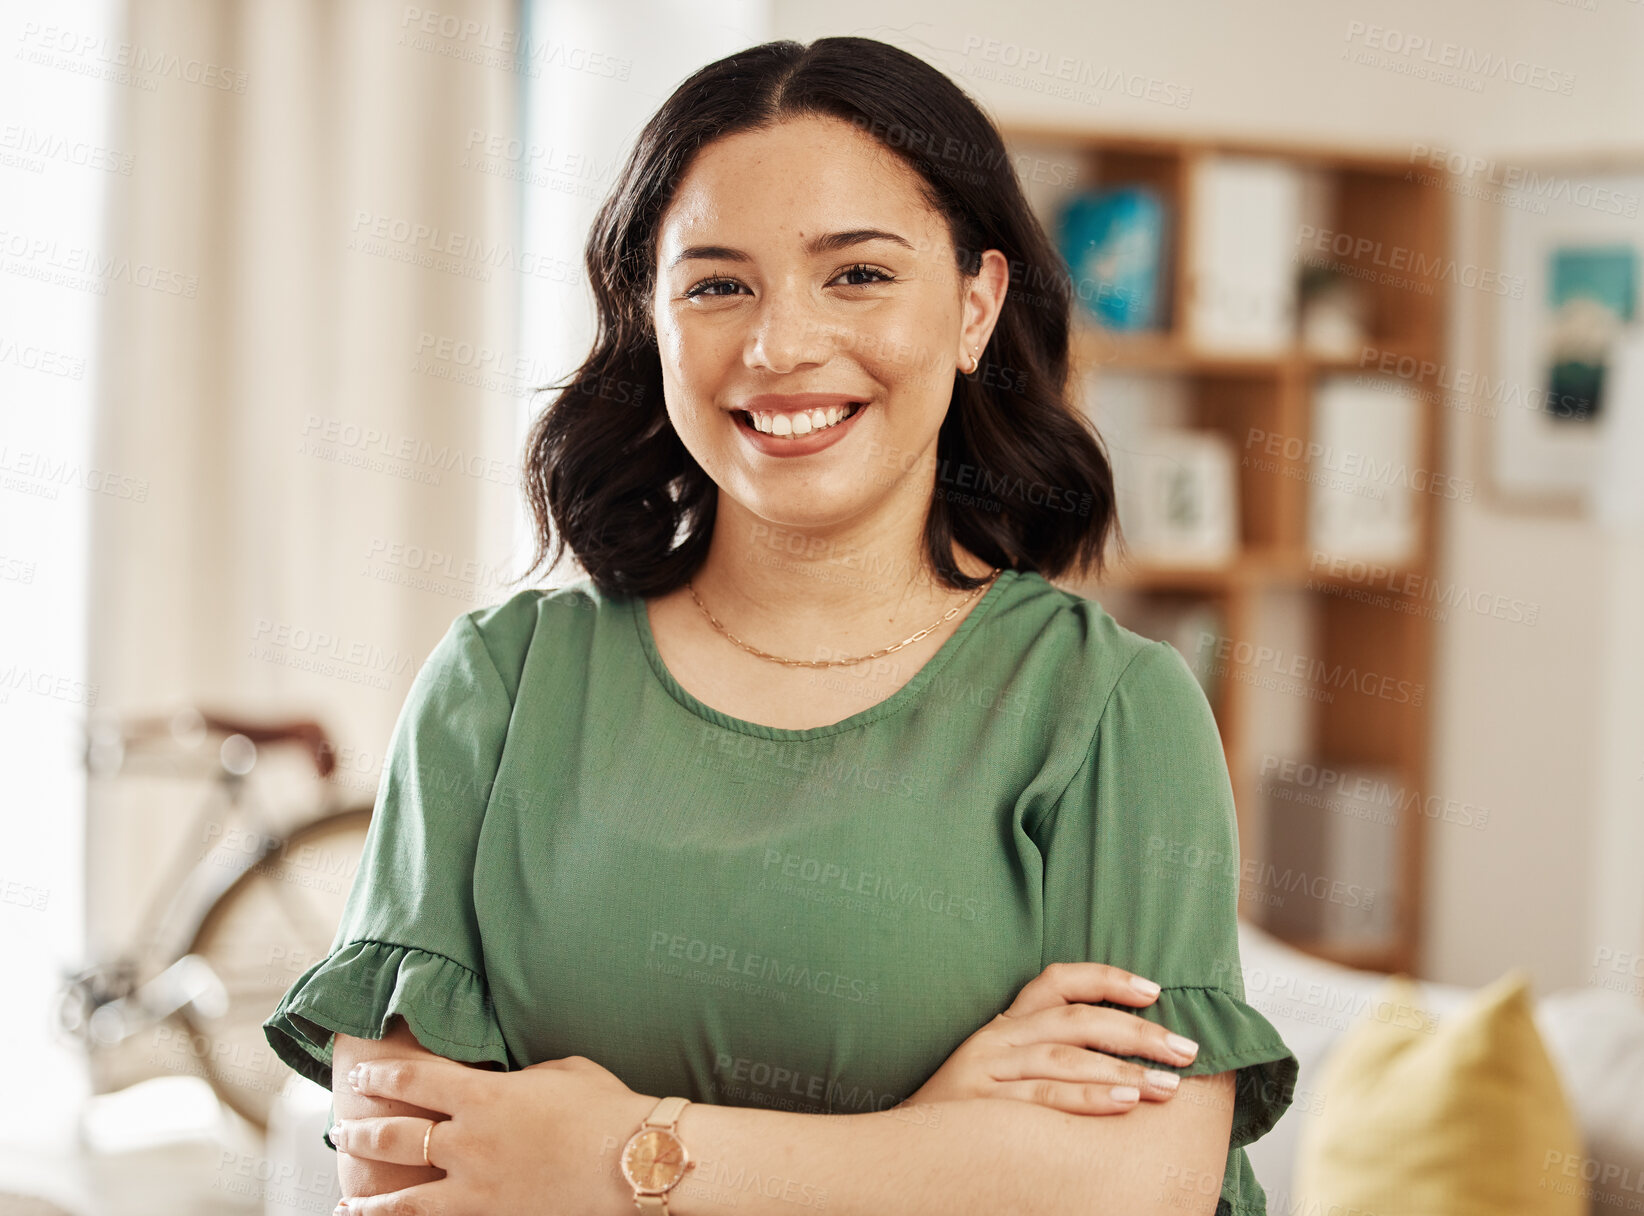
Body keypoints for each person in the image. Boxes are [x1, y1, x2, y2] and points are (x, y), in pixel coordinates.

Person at [263, 34, 1298, 1216]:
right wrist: (940, 1143)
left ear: (975, 307)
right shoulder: (498, 688)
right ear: (649, 322)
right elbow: (403, 1166)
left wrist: (617, 1156)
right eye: (716, 283)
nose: (780, 345)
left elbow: (1134, 1190)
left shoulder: (1106, 714)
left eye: (856, 274)